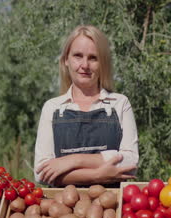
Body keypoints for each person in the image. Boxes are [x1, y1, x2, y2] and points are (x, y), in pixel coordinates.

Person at [34, 25, 139, 187]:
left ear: (102, 63)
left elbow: (130, 162)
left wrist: (73, 160)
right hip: (62, 208)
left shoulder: (119, 104)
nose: (85, 65)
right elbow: (41, 172)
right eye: (78, 56)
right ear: (66, 61)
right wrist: (97, 175)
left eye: (93, 58)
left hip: (111, 207)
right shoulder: (52, 108)